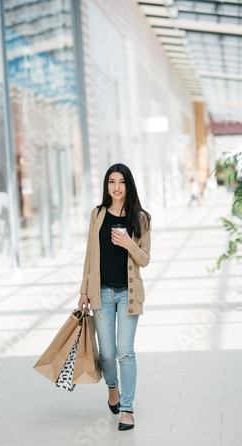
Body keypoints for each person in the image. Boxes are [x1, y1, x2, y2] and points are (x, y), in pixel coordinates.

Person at [78, 163, 151, 431]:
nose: (116, 187)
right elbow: (89, 255)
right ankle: (112, 388)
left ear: (129, 185)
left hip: (128, 294)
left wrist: (128, 243)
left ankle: (127, 409)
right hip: (102, 293)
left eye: (121, 181)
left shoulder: (140, 218)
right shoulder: (96, 214)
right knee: (107, 354)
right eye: (111, 181)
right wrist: (84, 290)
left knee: (126, 353)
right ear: (106, 185)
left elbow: (144, 259)